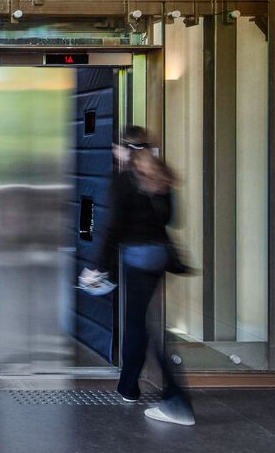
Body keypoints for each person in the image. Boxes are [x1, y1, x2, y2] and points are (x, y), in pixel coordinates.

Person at [83, 124, 195, 427]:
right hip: (160, 256)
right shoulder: (161, 175)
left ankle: (169, 398)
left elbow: (113, 227)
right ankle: (128, 386)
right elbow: (171, 218)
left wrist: (97, 266)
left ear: (122, 149)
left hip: (138, 257)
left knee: (139, 324)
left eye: (116, 147)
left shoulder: (123, 180)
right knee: (143, 321)